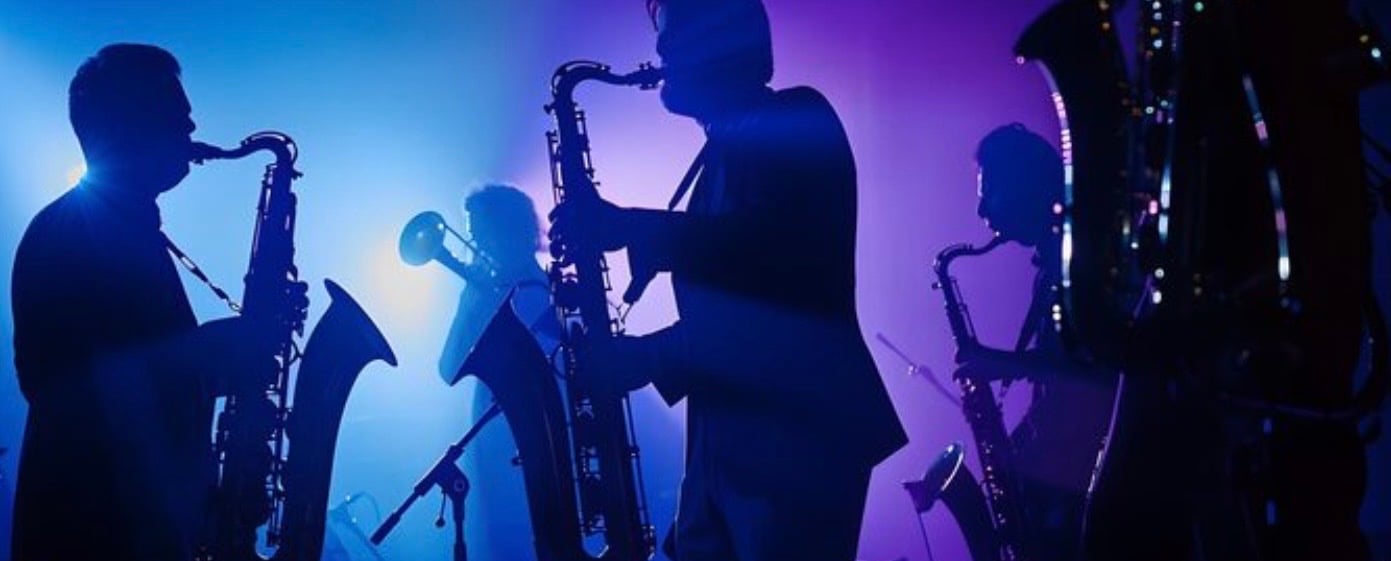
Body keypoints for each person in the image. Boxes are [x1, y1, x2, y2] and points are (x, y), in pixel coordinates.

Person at [548, 1, 907, 559]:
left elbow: (776, 264)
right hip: (733, 440)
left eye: (674, 35)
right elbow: (738, 294)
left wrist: (635, 238)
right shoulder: (721, 152)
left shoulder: (796, 115)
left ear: (726, 41)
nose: (660, 50)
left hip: (796, 437)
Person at [10, 44, 271, 561]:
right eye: (174, 111)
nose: (192, 124)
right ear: (126, 124)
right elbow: (72, 393)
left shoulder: (125, 229)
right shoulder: (68, 234)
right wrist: (210, 355)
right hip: (97, 537)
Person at [960, 124, 1116, 560]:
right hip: (1066, 475)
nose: (981, 208)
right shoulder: (1048, 268)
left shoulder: (1080, 263)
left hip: (1087, 479)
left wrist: (1003, 365)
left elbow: (1096, 374)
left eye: (990, 192)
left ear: (1024, 183)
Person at [435, 184, 555, 560]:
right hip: (491, 441)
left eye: (482, 233)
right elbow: (447, 369)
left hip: (536, 442)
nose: (474, 243)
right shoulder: (482, 291)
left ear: (510, 230)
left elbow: (543, 363)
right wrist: (470, 304)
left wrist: (489, 300)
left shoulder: (541, 291)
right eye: (472, 234)